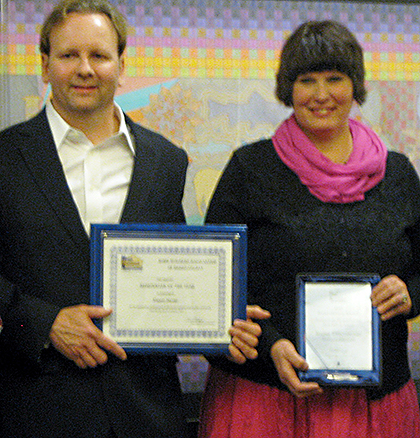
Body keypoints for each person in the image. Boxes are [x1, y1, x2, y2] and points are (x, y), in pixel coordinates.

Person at [0, 1, 267, 437]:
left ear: (121, 66)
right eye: (68, 55)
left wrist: (219, 318)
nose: (85, 69)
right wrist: (44, 323)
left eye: (99, 55)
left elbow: (173, 270)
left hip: (146, 411)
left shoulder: (166, 160)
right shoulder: (6, 157)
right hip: (36, 409)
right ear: (44, 65)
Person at [199, 20, 420, 437]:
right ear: (289, 88)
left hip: (376, 406)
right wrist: (269, 346)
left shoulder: (399, 174)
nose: (321, 94)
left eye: (334, 79)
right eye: (307, 80)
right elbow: (213, 283)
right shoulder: (250, 169)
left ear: (355, 85)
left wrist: (411, 294)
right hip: (264, 399)